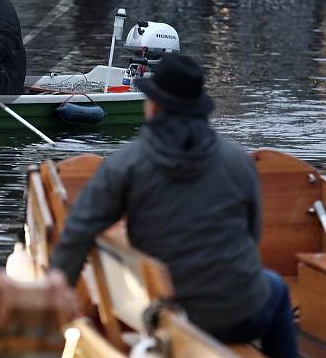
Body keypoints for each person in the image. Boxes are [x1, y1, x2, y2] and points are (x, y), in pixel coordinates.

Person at [48, 54, 297, 358]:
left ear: (154, 106)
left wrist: (57, 292)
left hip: (169, 317)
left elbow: (78, 231)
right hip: (239, 313)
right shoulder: (238, 161)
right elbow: (252, 234)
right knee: (276, 288)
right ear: (197, 109)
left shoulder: (127, 164)